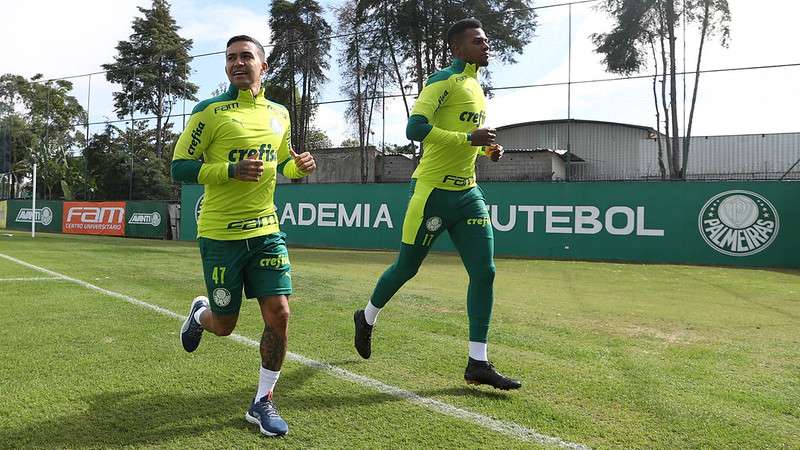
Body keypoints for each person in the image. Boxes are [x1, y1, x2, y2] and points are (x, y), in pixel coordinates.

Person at [353, 18, 520, 390]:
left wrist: (488, 148)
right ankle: (366, 317)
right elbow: (414, 130)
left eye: (487, 41)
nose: (486, 46)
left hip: (468, 194)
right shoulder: (441, 81)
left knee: (485, 272)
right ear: (458, 48)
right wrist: (467, 137)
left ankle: (478, 361)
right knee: (406, 268)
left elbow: (469, 140)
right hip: (431, 193)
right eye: (479, 42)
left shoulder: (477, 87)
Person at [172, 35, 316, 436]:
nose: (238, 63)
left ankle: (262, 402)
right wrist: (228, 171)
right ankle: (201, 315)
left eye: (246, 56)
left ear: (262, 66)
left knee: (280, 313)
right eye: (231, 58)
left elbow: (284, 162)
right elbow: (179, 167)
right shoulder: (209, 112)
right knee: (225, 325)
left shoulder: (279, 113)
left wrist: (299, 165)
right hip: (220, 235)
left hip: (266, 230)